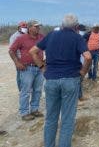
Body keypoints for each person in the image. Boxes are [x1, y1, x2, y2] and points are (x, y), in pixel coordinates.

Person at [29, 14, 92, 147]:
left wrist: (42, 68)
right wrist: (82, 73)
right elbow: (88, 57)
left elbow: (33, 51)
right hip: (70, 79)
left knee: (51, 118)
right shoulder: (77, 37)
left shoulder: (51, 35)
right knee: (67, 119)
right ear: (76, 26)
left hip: (51, 79)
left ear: (62, 24)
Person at [9, 20, 44, 121]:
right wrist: (17, 63)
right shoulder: (21, 38)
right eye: (36, 26)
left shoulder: (41, 37)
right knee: (25, 91)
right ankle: (24, 112)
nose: (38, 28)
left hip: (40, 67)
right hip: (27, 68)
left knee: (37, 90)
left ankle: (34, 109)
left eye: (39, 27)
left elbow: (49, 47)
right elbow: (11, 51)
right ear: (29, 28)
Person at [9, 21, 28, 91]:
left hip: (28, 59)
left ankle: (28, 89)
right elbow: (12, 50)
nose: (24, 28)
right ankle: (21, 89)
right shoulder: (14, 37)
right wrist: (17, 61)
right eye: (23, 27)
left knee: (27, 75)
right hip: (19, 59)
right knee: (20, 75)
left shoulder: (27, 35)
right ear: (19, 28)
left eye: (26, 27)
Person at [77, 24, 87, 101]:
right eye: (82, 30)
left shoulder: (83, 38)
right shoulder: (78, 38)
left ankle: (79, 95)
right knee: (78, 80)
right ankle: (79, 95)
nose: (83, 32)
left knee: (79, 80)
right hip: (78, 62)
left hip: (81, 61)